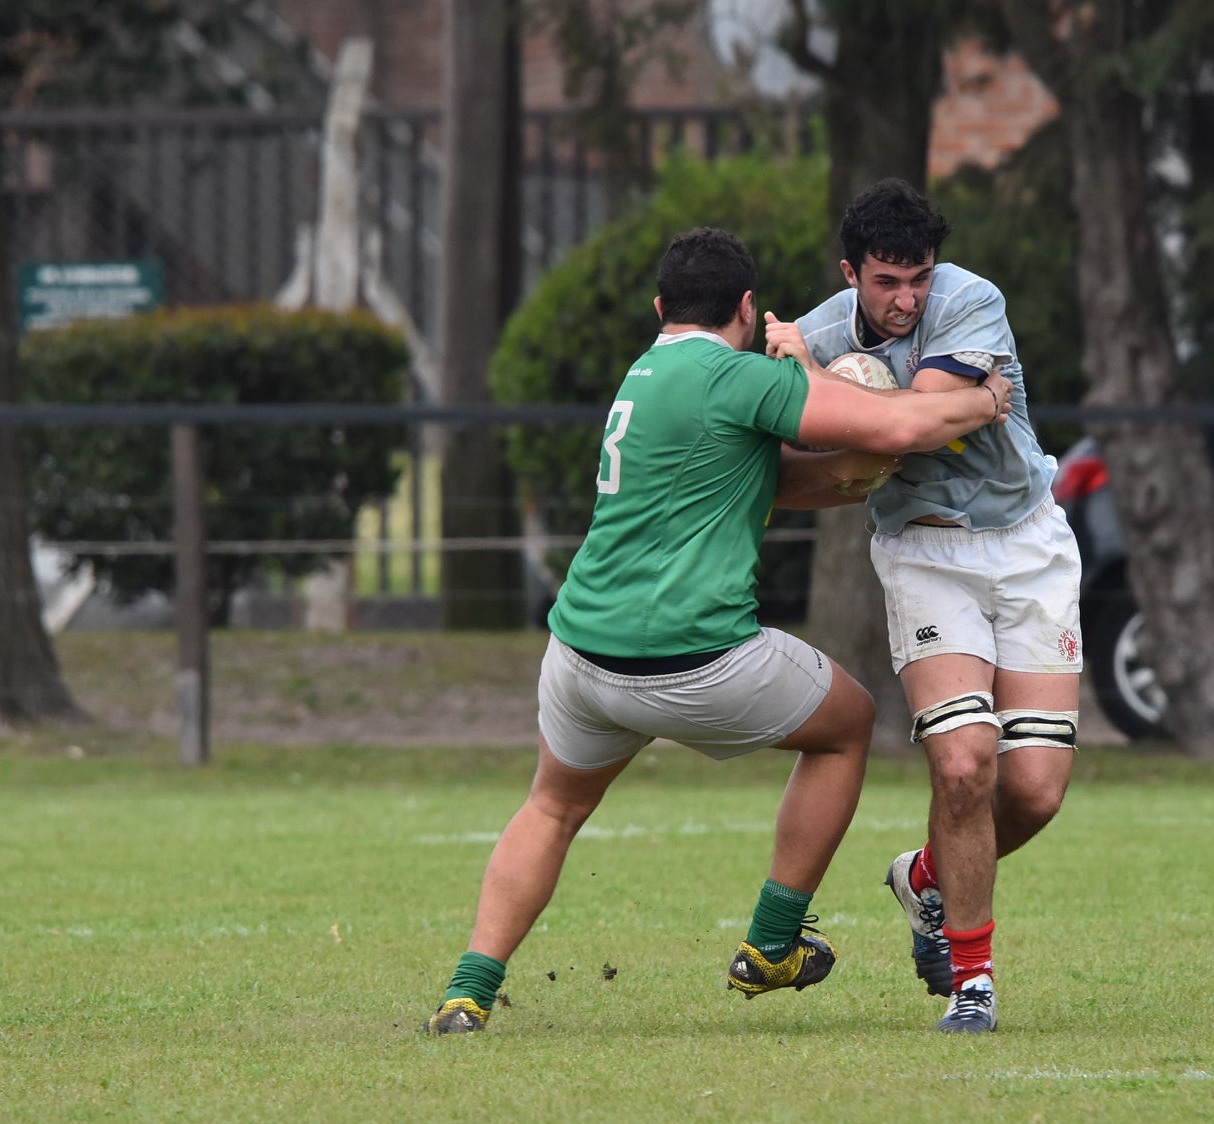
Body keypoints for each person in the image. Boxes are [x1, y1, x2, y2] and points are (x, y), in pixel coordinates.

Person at [424, 226, 1013, 1035]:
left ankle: (467, 993)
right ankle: (773, 945)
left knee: (552, 807)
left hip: (580, 654)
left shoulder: (645, 372)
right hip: (693, 658)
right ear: (746, 306)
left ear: (660, 307)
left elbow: (779, 477)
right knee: (846, 726)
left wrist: (848, 477)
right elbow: (893, 429)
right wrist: (982, 400)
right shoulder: (736, 377)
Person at [766, 179, 1085, 1035]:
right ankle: (972, 984)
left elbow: (903, 426)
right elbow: (802, 439)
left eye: (919, 278)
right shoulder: (823, 332)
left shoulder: (972, 300)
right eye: (886, 282)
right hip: (924, 551)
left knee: (1036, 791)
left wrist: (824, 393)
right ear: (850, 273)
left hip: (1028, 544)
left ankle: (926, 881)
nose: (908, 299)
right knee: (962, 766)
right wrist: (811, 385)